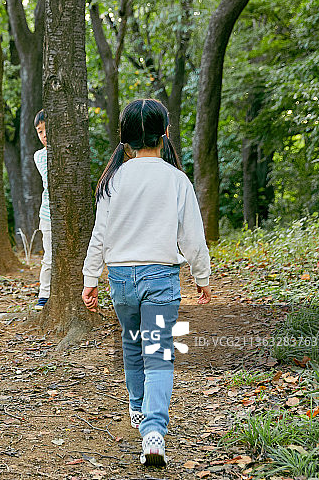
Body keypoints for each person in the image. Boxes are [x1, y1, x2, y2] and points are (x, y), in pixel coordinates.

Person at [81, 99, 211, 467]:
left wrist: (90, 279)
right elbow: (193, 236)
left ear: (124, 139)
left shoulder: (113, 180)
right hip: (160, 278)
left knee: (132, 344)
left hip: (121, 280)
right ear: (165, 134)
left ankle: (138, 410)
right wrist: (202, 276)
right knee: (158, 354)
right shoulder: (176, 179)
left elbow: (100, 235)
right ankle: (153, 432)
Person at [33, 109, 51, 310]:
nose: (44, 135)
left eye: (47, 129)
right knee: (49, 258)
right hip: (47, 215)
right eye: (40, 131)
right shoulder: (40, 156)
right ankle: (44, 294)